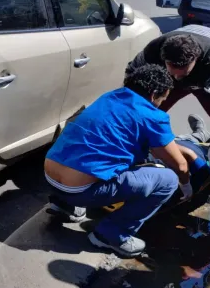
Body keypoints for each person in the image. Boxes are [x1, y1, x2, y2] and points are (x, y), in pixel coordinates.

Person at [44, 64, 189, 257]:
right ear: (154, 94)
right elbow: (179, 164)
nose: (162, 103)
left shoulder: (110, 96)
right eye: (163, 98)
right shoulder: (153, 116)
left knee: (95, 152)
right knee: (168, 180)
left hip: (50, 176)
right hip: (80, 190)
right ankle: (111, 235)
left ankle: (65, 205)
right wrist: (186, 186)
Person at [126, 25, 210, 172]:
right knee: (148, 118)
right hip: (168, 79)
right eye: (173, 73)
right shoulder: (152, 53)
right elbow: (132, 80)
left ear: (195, 59)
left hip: (204, 79)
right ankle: (199, 135)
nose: (178, 78)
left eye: (182, 74)